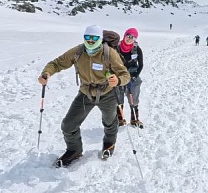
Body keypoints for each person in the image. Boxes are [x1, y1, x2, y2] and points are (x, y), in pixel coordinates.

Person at [38, 25, 130, 167]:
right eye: (88, 37)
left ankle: (109, 144)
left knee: (110, 122)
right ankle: (74, 150)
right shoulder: (78, 52)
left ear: (100, 39)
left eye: (94, 38)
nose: (91, 41)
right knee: (68, 125)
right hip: (85, 94)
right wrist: (46, 73)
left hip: (107, 94)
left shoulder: (109, 53)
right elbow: (56, 63)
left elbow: (125, 74)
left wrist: (118, 80)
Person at [116, 27, 144, 128]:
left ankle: (134, 119)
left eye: (133, 37)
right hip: (119, 75)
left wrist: (135, 76)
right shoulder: (117, 47)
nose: (130, 39)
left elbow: (140, 65)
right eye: (129, 36)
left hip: (133, 75)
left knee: (134, 97)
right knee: (118, 97)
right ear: (125, 35)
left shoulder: (137, 49)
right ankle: (119, 120)